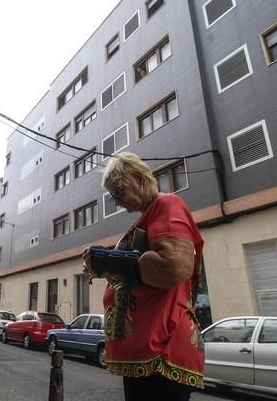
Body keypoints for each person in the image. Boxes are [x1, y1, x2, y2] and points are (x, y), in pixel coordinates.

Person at [83, 152, 205, 401]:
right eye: (112, 196)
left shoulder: (168, 204)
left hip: (163, 351)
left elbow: (174, 267)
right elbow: (140, 269)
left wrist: (112, 260)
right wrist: (105, 263)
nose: (116, 202)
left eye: (118, 192)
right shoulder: (150, 215)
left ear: (139, 179)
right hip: (151, 351)